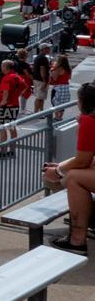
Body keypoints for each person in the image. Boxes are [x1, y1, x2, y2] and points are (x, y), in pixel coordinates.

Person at [43, 83, 95, 253]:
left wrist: (58, 171)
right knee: (72, 174)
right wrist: (60, 167)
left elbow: (82, 161)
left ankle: (77, 240)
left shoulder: (89, 121)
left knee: (72, 178)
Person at [0, 58, 28, 158]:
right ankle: (12, 151)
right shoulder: (17, 77)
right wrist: (16, 95)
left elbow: (5, 91)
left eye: (2, 66)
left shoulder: (7, 78)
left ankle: (3, 151)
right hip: (15, 105)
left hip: (6, 106)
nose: (1, 67)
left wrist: (4, 101)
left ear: (5, 67)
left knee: (2, 128)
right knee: (12, 128)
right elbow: (25, 87)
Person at [32, 44, 52, 114]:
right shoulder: (43, 58)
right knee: (39, 97)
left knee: (41, 97)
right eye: (48, 48)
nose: (49, 49)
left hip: (37, 79)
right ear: (43, 49)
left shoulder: (38, 57)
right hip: (41, 80)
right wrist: (44, 81)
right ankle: (36, 113)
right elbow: (42, 70)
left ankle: (41, 112)